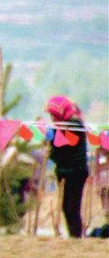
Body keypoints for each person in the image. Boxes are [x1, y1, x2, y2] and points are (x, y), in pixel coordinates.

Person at [46, 96, 89, 238]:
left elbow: (64, 147)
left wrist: (54, 144)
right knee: (65, 207)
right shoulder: (59, 128)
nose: (52, 118)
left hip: (76, 172)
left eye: (54, 115)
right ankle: (73, 235)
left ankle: (76, 237)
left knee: (72, 207)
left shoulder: (74, 125)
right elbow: (56, 153)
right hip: (63, 172)